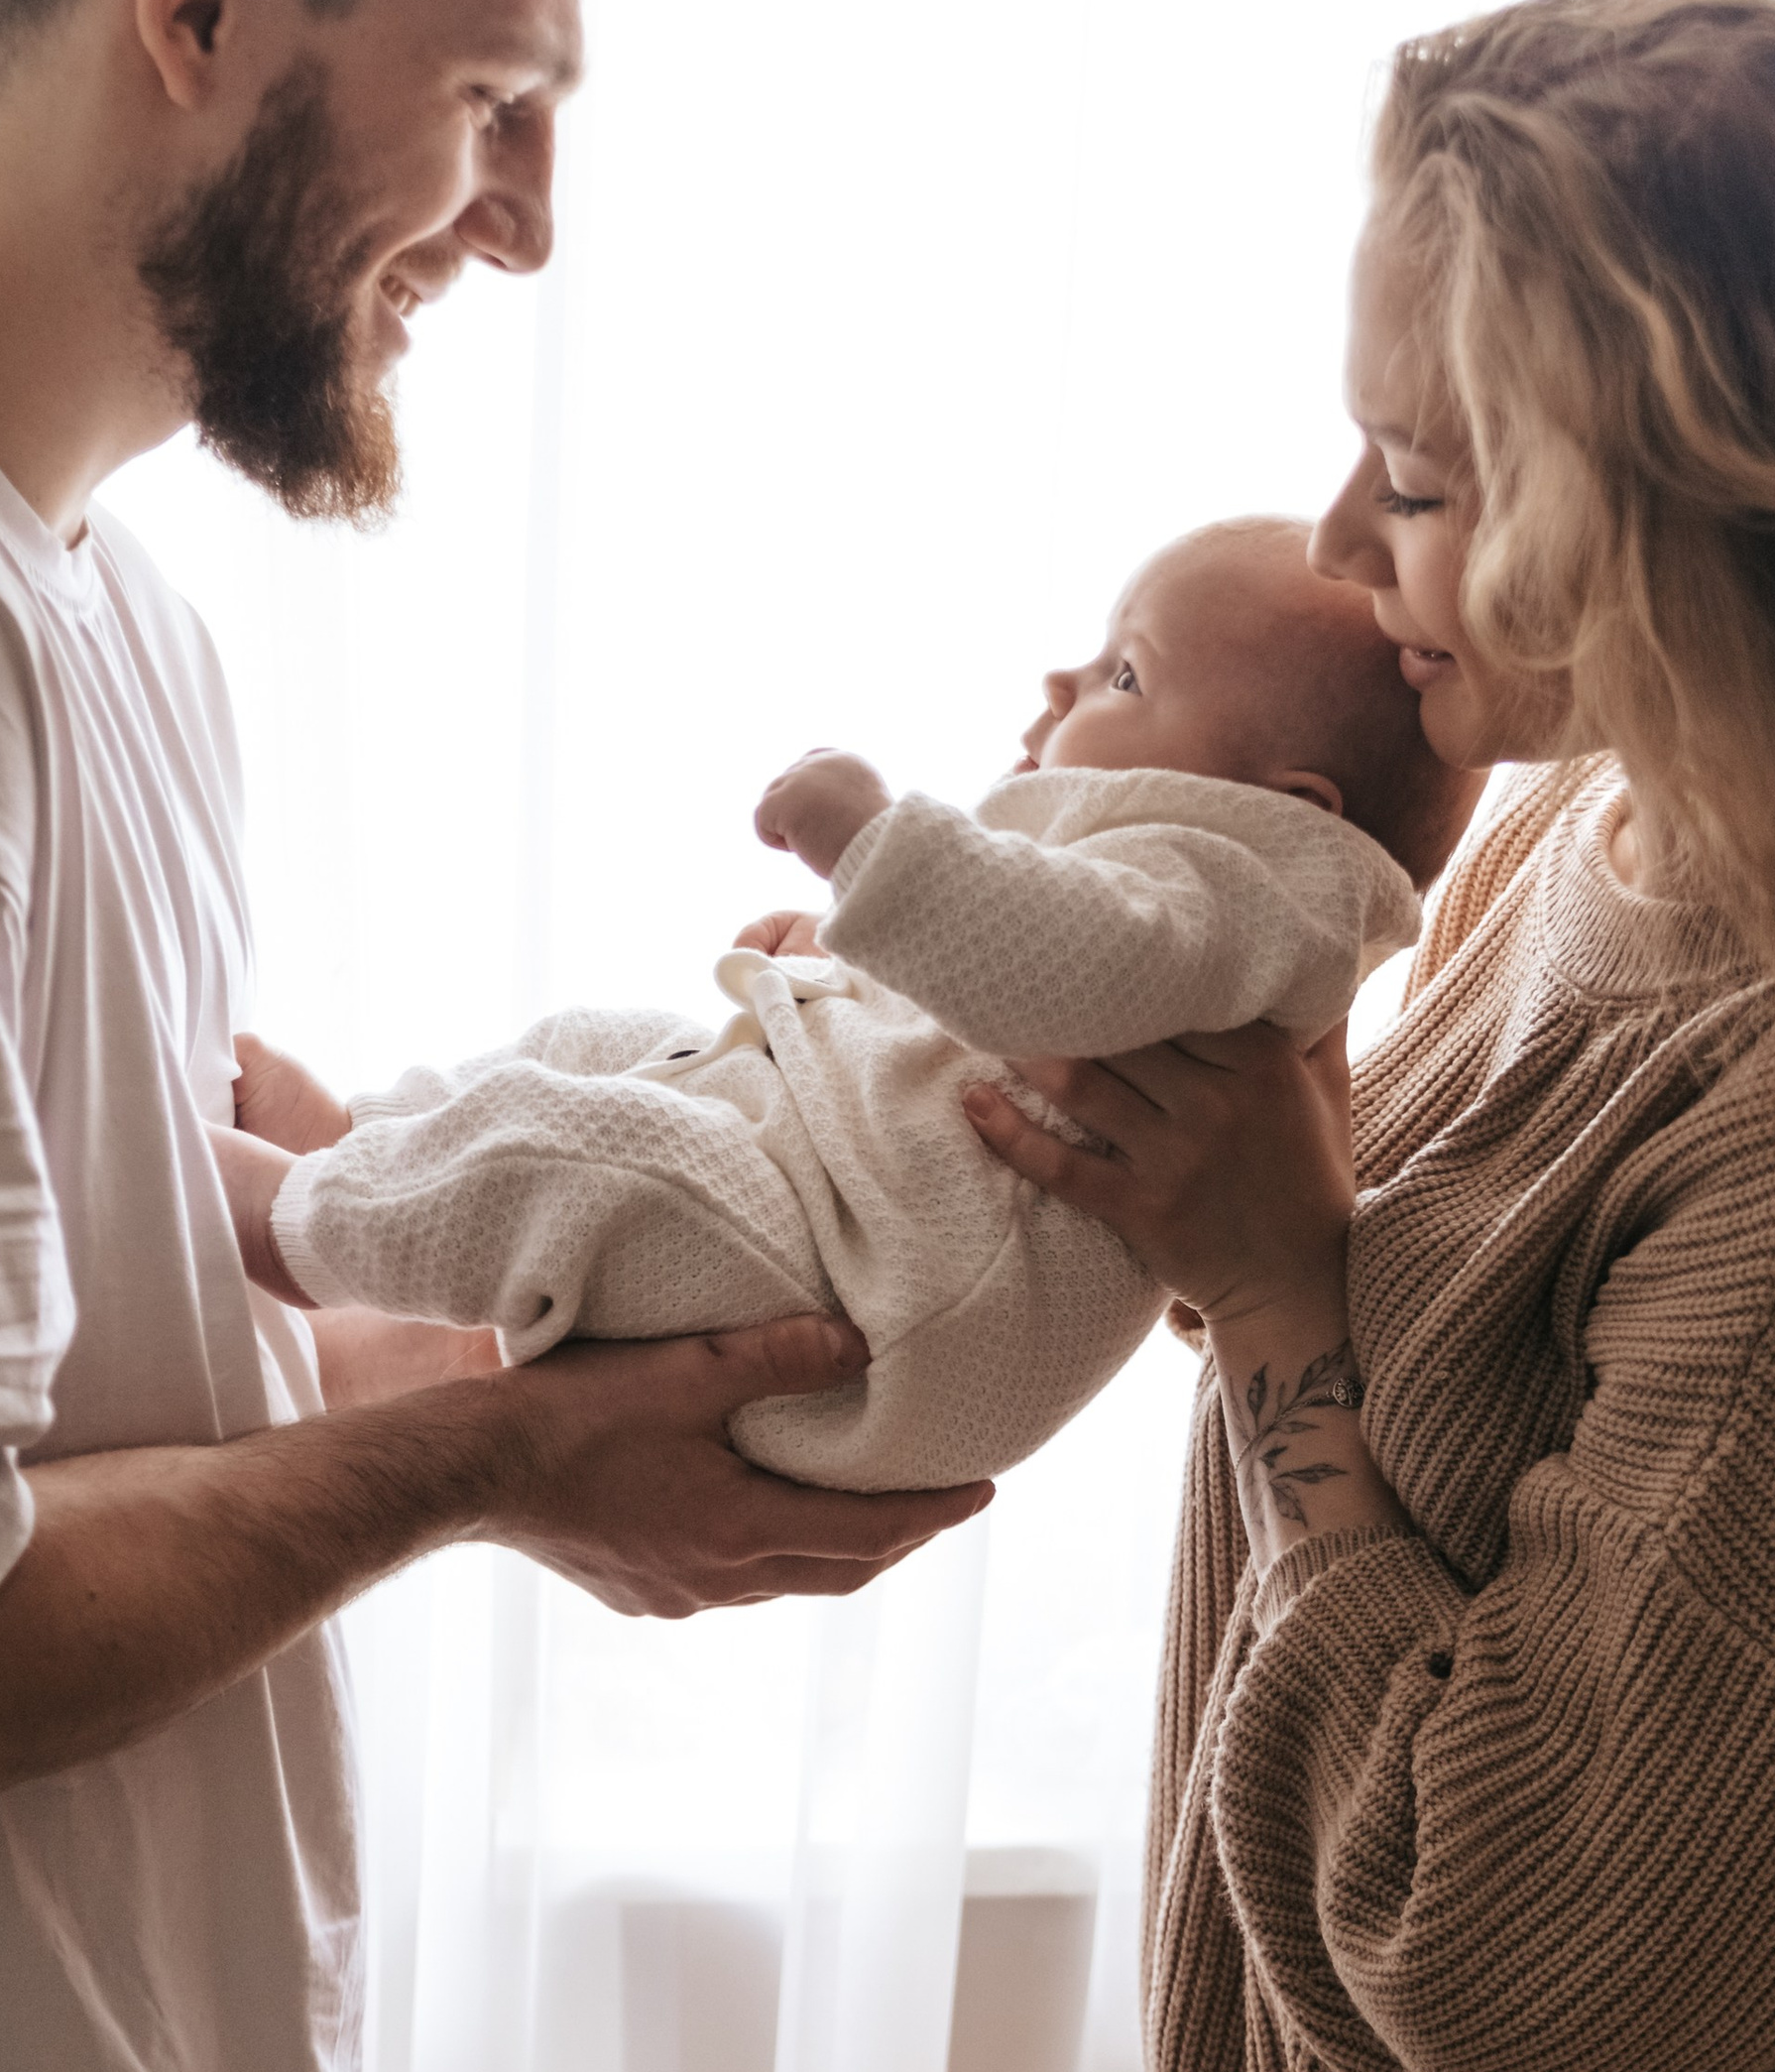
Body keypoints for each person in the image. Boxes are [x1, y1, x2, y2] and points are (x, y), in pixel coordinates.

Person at [0, 0, 985, 2072]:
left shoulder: (88, 603)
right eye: (492, 98)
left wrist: (425, 1343)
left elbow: (24, 1403)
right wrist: (493, 1456)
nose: (527, 222)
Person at [968, 0, 1775, 2067]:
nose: (1344, 548)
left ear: (1682, 528)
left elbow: (1515, 1966)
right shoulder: (1593, 836)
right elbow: (1431, 1352)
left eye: (1418, 482)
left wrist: (1267, 1296)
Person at [211, 520, 1485, 1493]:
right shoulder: (1192, 913)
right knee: (594, 1054)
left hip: (874, 1310)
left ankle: (292, 1216)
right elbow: (1042, 983)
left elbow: (1063, 952)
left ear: (1287, 803)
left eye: (1126, 677)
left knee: (568, 1147)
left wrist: (873, 850)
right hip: (842, 1200)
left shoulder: (1255, 887)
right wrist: (861, 961)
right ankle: (361, 1149)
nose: (1059, 681)